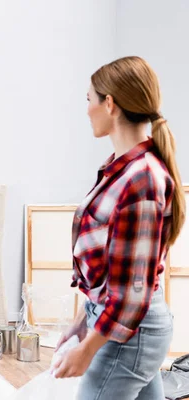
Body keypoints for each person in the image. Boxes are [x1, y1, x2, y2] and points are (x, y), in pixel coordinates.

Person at [53, 56, 186, 399]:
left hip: (130, 332)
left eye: (89, 100)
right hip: (127, 326)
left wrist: (88, 348)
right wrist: (85, 321)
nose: (86, 110)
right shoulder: (121, 169)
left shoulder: (140, 179)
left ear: (109, 104)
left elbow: (131, 291)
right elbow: (114, 274)